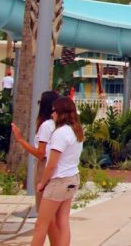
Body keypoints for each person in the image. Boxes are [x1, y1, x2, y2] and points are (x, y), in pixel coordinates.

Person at [31, 97, 84, 246]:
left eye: (54, 111)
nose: (52, 114)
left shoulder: (60, 133)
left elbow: (52, 164)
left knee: (41, 225)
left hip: (58, 181)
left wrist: (42, 183)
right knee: (63, 222)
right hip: (72, 178)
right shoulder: (76, 131)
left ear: (60, 112)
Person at [11, 90, 61, 222]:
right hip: (59, 168)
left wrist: (20, 140)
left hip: (44, 166)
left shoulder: (46, 126)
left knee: (44, 213)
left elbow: (40, 153)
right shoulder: (61, 125)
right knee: (58, 216)